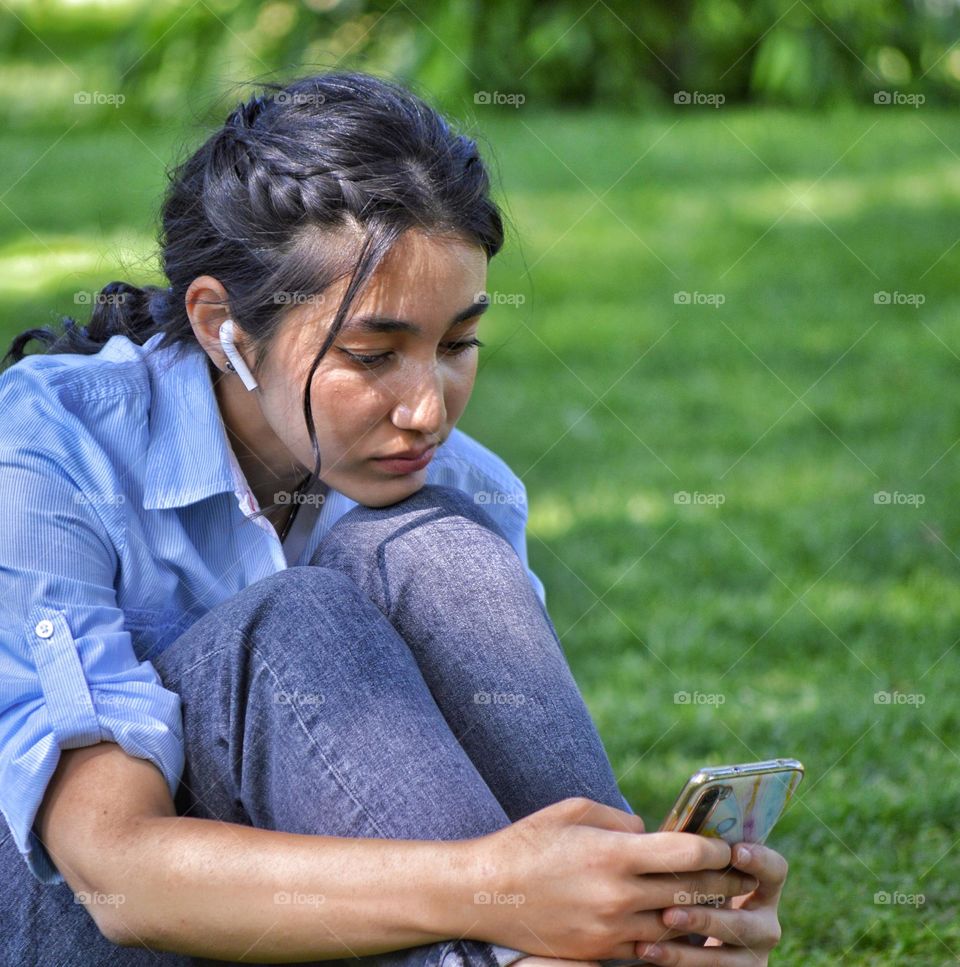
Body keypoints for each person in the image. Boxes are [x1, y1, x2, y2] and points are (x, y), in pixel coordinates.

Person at [0, 71, 788, 966]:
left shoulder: (456, 484)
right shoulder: (50, 448)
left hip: (309, 933)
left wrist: (658, 911)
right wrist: (497, 888)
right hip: (62, 923)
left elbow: (481, 809)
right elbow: (114, 873)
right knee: (295, 617)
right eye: (373, 354)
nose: (426, 410)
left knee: (438, 540)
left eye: (457, 344)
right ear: (222, 325)